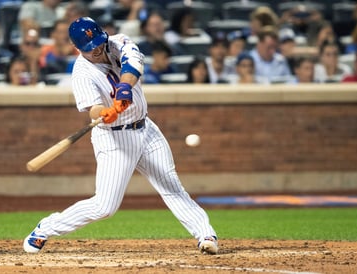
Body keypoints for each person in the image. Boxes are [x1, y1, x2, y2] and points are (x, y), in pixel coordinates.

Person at [23, 17, 218, 255]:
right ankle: (46, 227)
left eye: (97, 43)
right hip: (114, 139)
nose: (95, 49)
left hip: (146, 130)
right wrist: (103, 112)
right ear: (77, 49)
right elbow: (92, 109)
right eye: (89, 48)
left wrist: (125, 88)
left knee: (171, 186)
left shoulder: (119, 42)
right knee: (105, 206)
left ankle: (205, 234)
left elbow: (132, 66)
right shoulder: (81, 72)